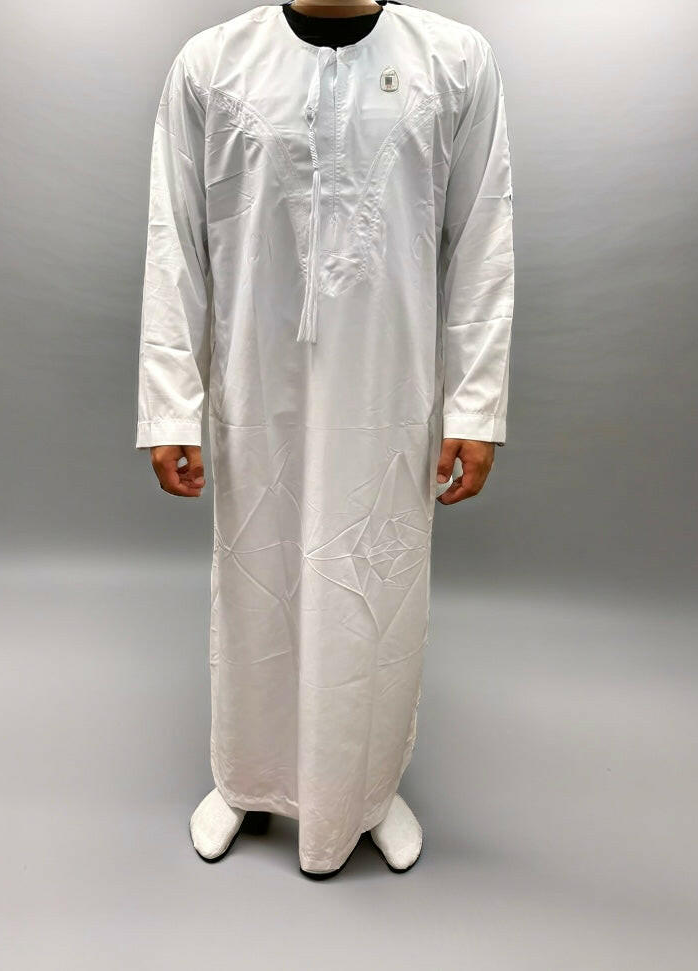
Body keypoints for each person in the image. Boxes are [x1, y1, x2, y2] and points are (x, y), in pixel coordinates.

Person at [136, 0, 514, 877]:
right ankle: (245, 777)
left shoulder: (455, 62)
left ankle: (366, 790)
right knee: (256, 578)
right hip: (256, 388)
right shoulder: (212, 65)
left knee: (375, 579)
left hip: (388, 391)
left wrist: (474, 406)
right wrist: (171, 405)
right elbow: (174, 241)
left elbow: (483, 238)